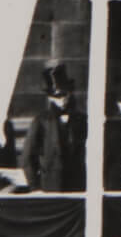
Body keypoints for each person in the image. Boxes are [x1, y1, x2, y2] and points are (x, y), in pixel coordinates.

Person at [23, 63, 84, 192]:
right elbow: (28, 157)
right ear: (50, 98)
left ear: (70, 93)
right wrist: (35, 188)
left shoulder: (82, 120)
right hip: (50, 187)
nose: (62, 100)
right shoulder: (41, 121)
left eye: (64, 95)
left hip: (78, 186)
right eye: (57, 97)